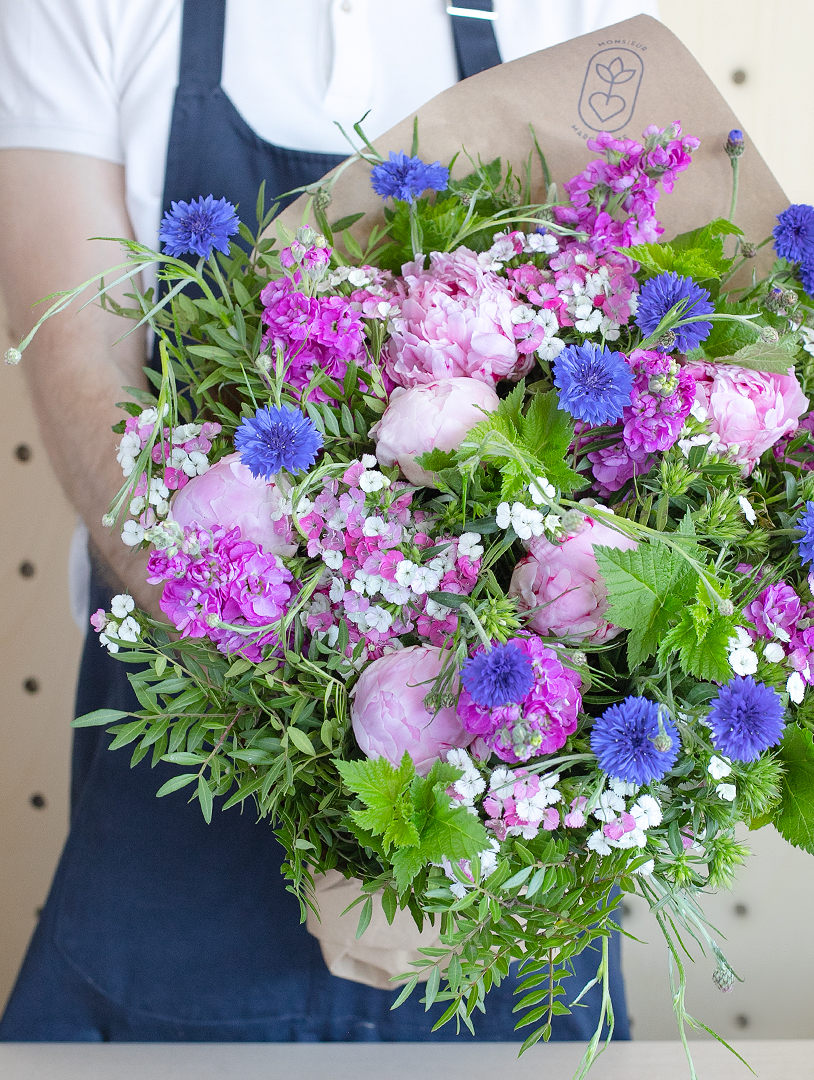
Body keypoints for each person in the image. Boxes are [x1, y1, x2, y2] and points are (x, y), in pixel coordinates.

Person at [0, 0, 656, 1041]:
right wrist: (315, 756)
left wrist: (461, 800)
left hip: (509, 807)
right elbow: (90, 391)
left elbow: (638, 387)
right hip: (197, 741)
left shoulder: (570, 14)